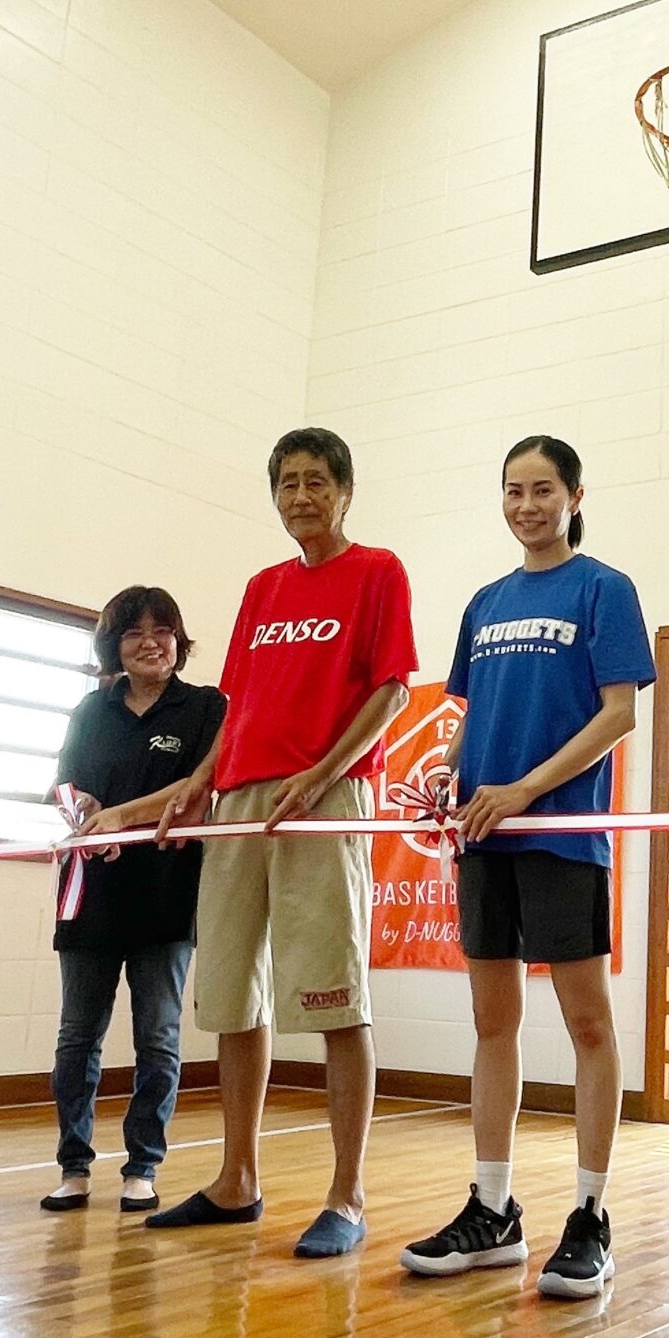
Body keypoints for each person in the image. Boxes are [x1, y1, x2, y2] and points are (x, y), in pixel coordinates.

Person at [135, 428, 414, 1256]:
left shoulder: (377, 571)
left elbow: (394, 688)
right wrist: (200, 779)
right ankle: (237, 1178)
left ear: (346, 490)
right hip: (240, 803)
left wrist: (327, 770)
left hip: (325, 796)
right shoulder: (261, 588)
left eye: (317, 481)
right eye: (287, 482)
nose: (301, 496)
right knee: (229, 991)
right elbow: (240, 703)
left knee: (334, 995)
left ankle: (347, 1194)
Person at [399, 436, 652, 1299]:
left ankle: (589, 1214)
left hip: (562, 834)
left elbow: (617, 715)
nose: (527, 504)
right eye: (513, 490)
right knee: (491, 1022)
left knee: (587, 1025)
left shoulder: (604, 589)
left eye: (543, 489)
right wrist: (455, 770)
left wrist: (525, 790)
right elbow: (472, 711)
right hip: (484, 835)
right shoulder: (484, 600)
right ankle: (495, 1208)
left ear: (576, 494)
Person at [42, 587, 224, 1213]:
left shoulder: (206, 707)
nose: (151, 642)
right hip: (90, 893)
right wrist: (85, 811)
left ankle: (142, 1167)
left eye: (163, 630)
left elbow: (195, 790)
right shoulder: (92, 710)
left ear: (179, 639)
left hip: (166, 894)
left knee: (158, 1039)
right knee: (77, 1038)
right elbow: (65, 786)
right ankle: (73, 1165)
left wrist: (119, 816)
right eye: (134, 632)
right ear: (113, 645)